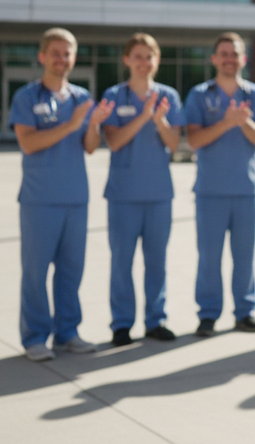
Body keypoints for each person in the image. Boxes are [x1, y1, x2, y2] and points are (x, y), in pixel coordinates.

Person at [9, 28, 114, 361]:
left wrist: (93, 124)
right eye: (55, 52)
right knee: (36, 274)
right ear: (42, 56)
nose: (62, 59)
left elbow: (90, 147)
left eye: (67, 53)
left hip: (75, 199)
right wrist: (71, 124)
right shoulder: (27, 97)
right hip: (39, 200)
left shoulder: (82, 98)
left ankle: (68, 333)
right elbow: (28, 143)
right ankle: (35, 338)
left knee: (71, 272)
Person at [185, 31, 255, 337]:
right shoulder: (199, 95)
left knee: (244, 258)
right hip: (210, 192)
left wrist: (243, 121)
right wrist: (226, 122)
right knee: (209, 259)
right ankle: (208, 314)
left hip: (246, 191)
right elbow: (194, 140)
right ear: (214, 59)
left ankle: (245, 313)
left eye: (234, 54)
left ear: (243, 59)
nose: (229, 59)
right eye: (223, 53)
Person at [97, 33, 186, 347]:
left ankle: (155, 320)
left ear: (156, 61)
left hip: (159, 194)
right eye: (138, 56)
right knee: (122, 262)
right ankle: (121, 324)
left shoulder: (168, 96)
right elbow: (114, 141)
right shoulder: (114, 95)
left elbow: (174, 144)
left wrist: (159, 120)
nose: (144, 63)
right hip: (123, 195)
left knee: (156, 262)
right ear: (127, 60)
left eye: (149, 57)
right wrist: (144, 115)